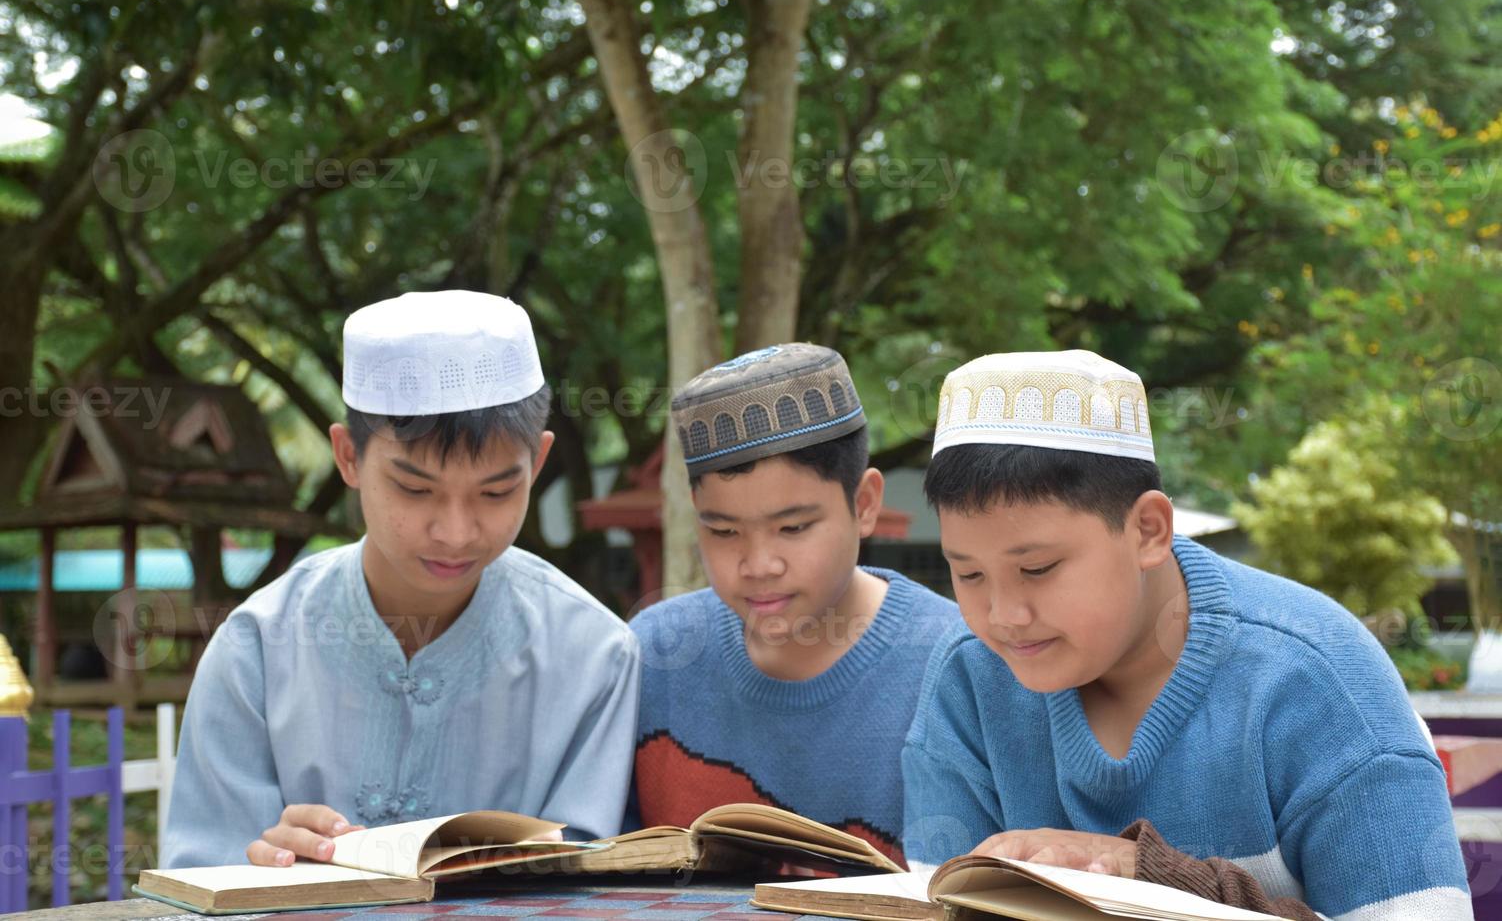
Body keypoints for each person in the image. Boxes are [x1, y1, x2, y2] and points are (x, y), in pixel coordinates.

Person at [902, 349, 1470, 919]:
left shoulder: (1318, 680)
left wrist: (1156, 883)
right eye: (969, 574)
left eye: (1038, 569)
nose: (1004, 615)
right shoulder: (969, 676)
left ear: (1148, 529)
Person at [162, 291, 640, 869]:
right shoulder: (257, 648)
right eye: (415, 490)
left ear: (537, 465)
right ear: (348, 458)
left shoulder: (594, 657)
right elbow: (201, 876)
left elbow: (581, 887)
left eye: (496, 492)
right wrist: (266, 874)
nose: (456, 533)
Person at [631, 344, 960, 865]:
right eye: (723, 531)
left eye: (793, 528)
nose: (758, 563)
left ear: (865, 504)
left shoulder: (956, 663)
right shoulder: (655, 653)